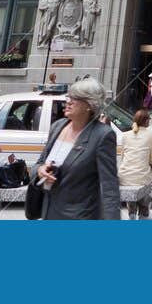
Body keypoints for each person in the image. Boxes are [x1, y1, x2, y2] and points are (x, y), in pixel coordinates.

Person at [33, 76, 120, 220]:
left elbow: (109, 187)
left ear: (90, 105)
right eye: (69, 96)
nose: (68, 101)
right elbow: (38, 164)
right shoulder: (57, 126)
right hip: (48, 212)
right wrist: (40, 171)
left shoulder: (103, 135)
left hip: (80, 216)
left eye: (76, 98)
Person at [117, 107, 152, 219]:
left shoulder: (125, 135)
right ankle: (143, 214)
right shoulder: (151, 135)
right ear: (146, 121)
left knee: (132, 185)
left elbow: (123, 157)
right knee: (145, 182)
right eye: (149, 120)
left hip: (124, 175)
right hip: (141, 177)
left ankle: (131, 214)